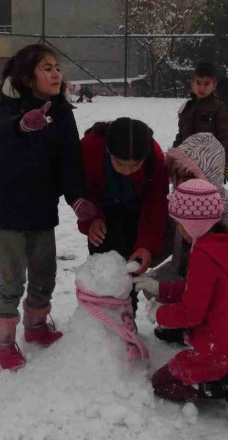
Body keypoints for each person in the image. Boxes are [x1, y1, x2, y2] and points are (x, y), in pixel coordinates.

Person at [136, 179, 228, 431]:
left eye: (178, 222)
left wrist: (160, 313)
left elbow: (191, 313)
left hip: (217, 350)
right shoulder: (224, 247)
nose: (177, 227)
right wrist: (159, 288)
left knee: (162, 383)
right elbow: (196, 292)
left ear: (191, 225)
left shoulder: (204, 256)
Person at [0, 44, 86, 370]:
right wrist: (21, 125)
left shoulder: (63, 114)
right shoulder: (12, 107)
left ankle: (36, 326)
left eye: (57, 67)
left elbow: (70, 162)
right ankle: (2, 342)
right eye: (47, 68)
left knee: (45, 274)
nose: (56, 73)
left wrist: (78, 198)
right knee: (12, 278)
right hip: (6, 210)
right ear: (29, 79)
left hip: (42, 209)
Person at [148, 133, 228, 344]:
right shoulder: (178, 200)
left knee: (200, 299)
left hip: (213, 276)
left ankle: (203, 327)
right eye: (177, 176)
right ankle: (180, 326)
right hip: (182, 266)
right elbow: (168, 237)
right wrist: (151, 257)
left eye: (188, 177)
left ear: (206, 175)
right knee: (155, 284)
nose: (180, 183)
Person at [77, 117, 168, 311]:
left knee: (130, 265)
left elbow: (156, 204)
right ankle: (102, 311)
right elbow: (80, 189)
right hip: (102, 212)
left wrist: (146, 245)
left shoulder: (155, 159)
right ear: (108, 151)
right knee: (103, 261)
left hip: (136, 212)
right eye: (120, 163)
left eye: (135, 165)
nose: (127, 170)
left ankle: (127, 312)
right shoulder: (90, 147)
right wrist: (92, 219)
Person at [173, 62, 228, 183]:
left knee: (205, 200)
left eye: (207, 84)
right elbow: (181, 136)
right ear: (192, 83)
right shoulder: (187, 108)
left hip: (209, 166)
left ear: (214, 84)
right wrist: (174, 157)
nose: (202, 88)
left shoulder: (219, 108)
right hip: (186, 165)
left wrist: (225, 164)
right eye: (198, 83)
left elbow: (226, 139)